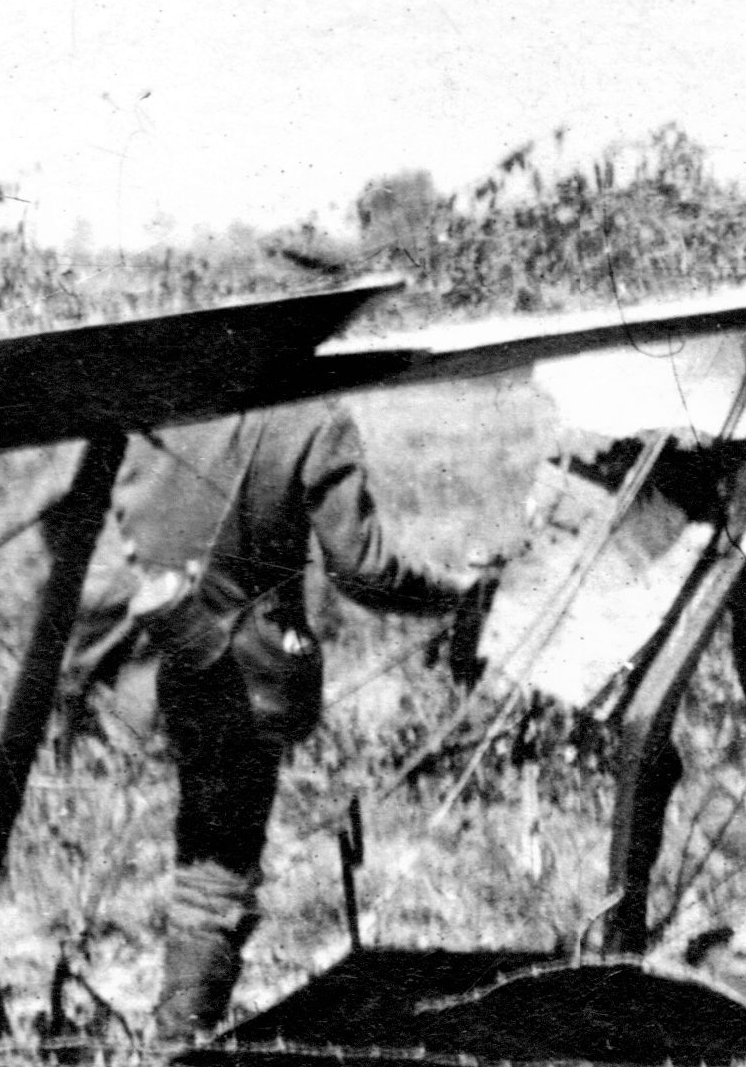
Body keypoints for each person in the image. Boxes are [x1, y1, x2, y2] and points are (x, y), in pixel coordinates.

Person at [84, 403, 487, 1035]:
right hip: (240, 675)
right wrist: (457, 594)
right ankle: (178, 1049)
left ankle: (175, 1035)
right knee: (217, 869)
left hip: (141, 659)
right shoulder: (313, 419)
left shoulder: (155, 401)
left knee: (203, 845)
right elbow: (365, 570)